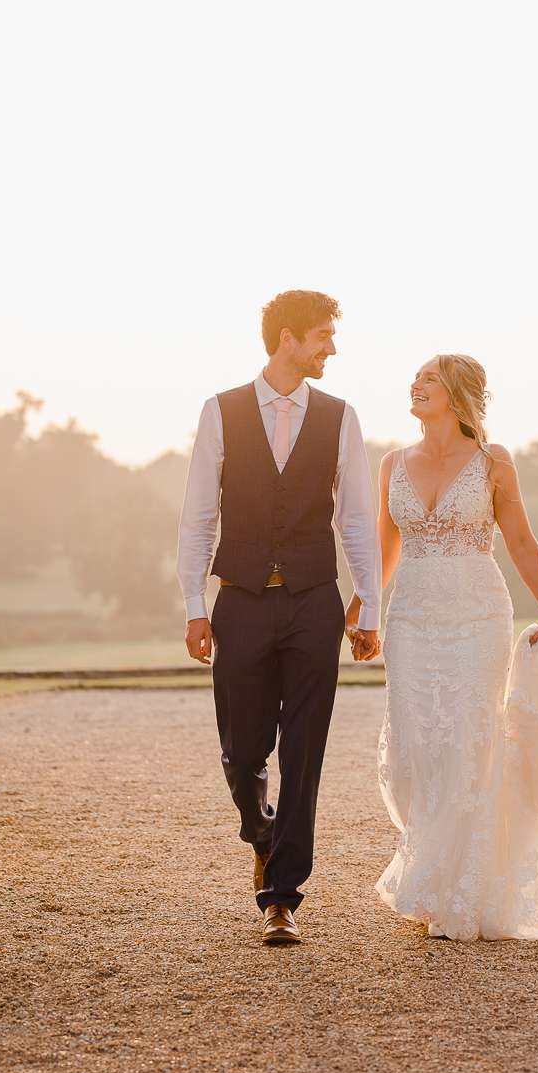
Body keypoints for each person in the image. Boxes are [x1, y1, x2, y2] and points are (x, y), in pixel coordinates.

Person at [348, 353, 538, 942]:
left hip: (478, 616)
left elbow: (521, 539)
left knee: (469, 745)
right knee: (416, 746)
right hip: (412, 618)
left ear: (455, 394)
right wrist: (364, 606)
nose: (416, 384)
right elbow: (384, 543)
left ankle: (466, 890)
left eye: (428, 379)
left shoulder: (493, 462)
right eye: (415, 378)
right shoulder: (392, 463)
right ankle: (431, 872)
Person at [177, 290, 381, 947]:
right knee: (241, 751)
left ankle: (282, 898)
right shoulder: (222, 411)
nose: (331, 348)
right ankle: (260, 831)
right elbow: (198, 514)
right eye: (322, 336)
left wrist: (367, 606)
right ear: (287, 338)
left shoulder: (340, 417)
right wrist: (192, 606)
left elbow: (354, 518)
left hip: (312, 603)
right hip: (238, 600)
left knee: (304, 749)